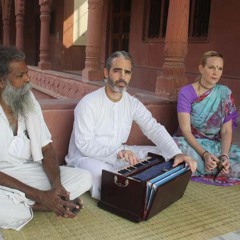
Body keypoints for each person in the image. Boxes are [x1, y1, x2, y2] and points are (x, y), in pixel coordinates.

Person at [65, 51, 197, 200]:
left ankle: (143, 185)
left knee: (162, 155)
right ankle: (129, 190)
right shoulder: (88, 103)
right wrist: (119, 152)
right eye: (117, 71)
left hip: (120, 153)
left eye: (127, 72)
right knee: (101, 174)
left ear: (130, 76)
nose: (122, 77)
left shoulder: (132, 103)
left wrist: (175, 153)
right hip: (86, 157)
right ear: (106, 72)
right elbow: (85, 144)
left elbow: (153, 128)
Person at [0, 45, 92, 231]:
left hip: (27, 172)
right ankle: (36, 205)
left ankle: (46, 200)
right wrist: (41, 196)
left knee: (84, 177)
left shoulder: (28, 99)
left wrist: (56, 187)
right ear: (2, 81)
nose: (28, 79)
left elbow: (46, 148)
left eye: (26, 73)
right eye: (20, 76)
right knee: (12, 213)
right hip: (3, 177)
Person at [173, 50, 240, 179]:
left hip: (215, 146)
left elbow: (226, 130)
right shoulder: (186, 92)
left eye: (219, 68)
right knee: (174, 147)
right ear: (201, 68)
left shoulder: (224, 93)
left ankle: (218, 166)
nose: (216, 72)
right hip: (191, 144)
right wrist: (204, 154)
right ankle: (212, 167)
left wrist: (224, 155)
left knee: (231, 159)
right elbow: (185, 130)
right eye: (211, 67)